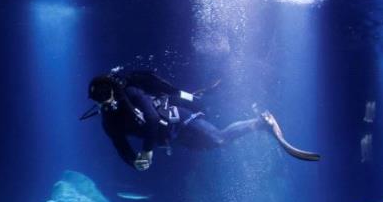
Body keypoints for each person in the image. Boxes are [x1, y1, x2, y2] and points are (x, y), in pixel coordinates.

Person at [82, 69, 320, 171]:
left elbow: (153, 119)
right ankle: (256, 122)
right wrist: (134, 162)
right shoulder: (108, 121)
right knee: (215, 144)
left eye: (105, 95)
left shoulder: (133, 94)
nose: (104, 103)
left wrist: (146, 151)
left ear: (114, 90)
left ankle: (260, 122)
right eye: (98, 99)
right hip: (170, 137)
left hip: (178, 120)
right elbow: (120, 146)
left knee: (217, 138)